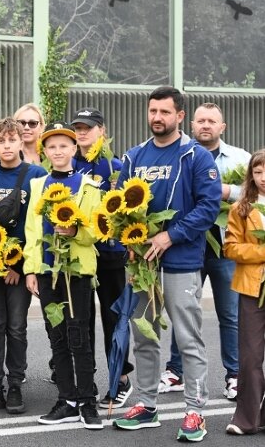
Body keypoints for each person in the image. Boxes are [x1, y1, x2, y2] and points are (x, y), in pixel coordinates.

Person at [112, 86, 220, 442]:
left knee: (188, 337)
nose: (157, 117)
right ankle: (146, 405)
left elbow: (207, 208)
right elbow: (119, 209)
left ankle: (194, 411)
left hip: (181, 261)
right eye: (152, 111)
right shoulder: (133, 157)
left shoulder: (196, 156)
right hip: (141, 264)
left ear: (179, 116)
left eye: (164, 112)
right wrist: (128, 241)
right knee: (144, 336)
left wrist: (170, 236)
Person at [159, 103, 250, 400]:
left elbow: (257, 194)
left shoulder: (241, 159)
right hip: (186, 246)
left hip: (225, 248)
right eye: (201, 120)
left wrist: (224, 191)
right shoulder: (179, 155)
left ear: (222, 127)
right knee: (182, 311)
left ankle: (234, 375)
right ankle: (176, 371)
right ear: (192, 124)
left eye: (212, 121)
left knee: (230, 314)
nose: (205, 125)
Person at [24, 122, 103, 430]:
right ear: (45, 151)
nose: (57, 151)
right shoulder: (38, 185)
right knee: (56, 337)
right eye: (52, 146)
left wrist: (75, 231)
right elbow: (32, 231)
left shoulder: (89, 186)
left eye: (63, 146)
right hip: (47, 271)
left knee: (79, 336)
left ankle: (88, 401)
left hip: (76, 273)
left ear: (74, 149)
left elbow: (97, 230)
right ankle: (67, 399)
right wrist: (31, 268)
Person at [0, 118, 47, 415]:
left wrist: (20, 267)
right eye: (0, 141)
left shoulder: (36, 175)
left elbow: (36, 226)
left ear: (21, 142)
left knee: (16, 328)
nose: (6, 146)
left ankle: (15, 384)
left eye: (12, 140)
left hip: (20, 268)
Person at [70, 108, 133, 409]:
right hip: (81, 254)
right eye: (78, 128)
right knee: (82, 320)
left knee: (113, 319)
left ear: (102, 131)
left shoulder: (115, 165)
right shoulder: (69, 164)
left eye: (88, 128)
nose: (82, 133)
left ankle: (120, 378)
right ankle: (87, 379)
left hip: (110, 255)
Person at [223, 149, 265, 435]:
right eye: (258, 171)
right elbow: (230, 248)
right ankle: (246, 419)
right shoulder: (242, 208)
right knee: (250, 356)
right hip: (252, 287)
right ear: (251, 175)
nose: (263, 177)